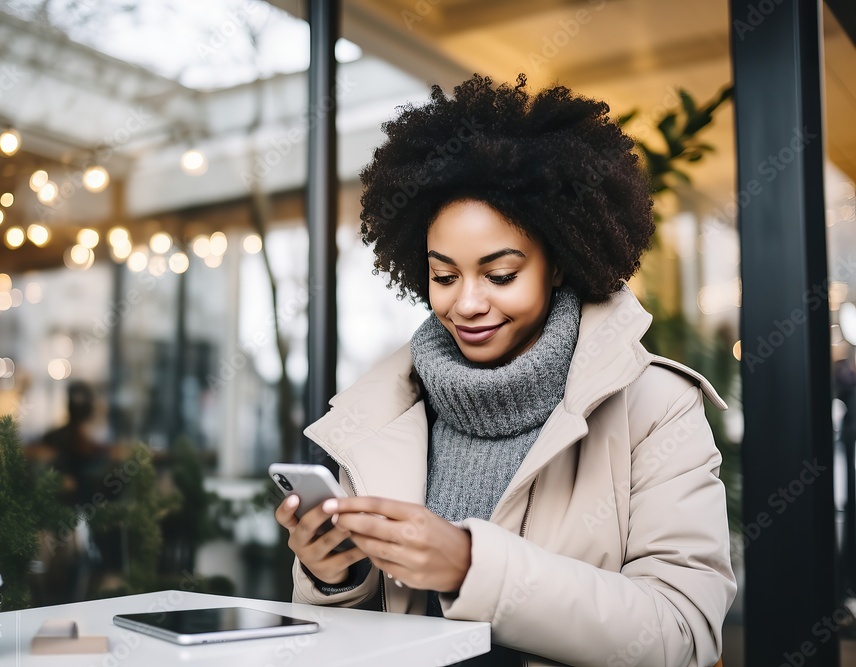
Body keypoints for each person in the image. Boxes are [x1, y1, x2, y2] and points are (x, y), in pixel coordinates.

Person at [274, 74, 736, 666]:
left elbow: (682, 633)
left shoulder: (654, 405)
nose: (466, 303)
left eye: (500, 275)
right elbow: (353, 640)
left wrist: (473, 567)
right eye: (444, 277)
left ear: (561, 265)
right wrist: (334, 577)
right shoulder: (383, 409)